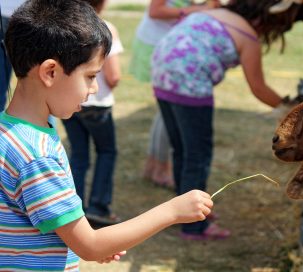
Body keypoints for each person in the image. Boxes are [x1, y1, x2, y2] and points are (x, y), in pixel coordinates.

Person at [0, 0, 214, 269]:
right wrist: (172, 211)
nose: (92, 89)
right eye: (90, 76)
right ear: (50, 72)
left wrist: (94, 241)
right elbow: (90, 245)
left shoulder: (9, 132)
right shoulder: (36, 157)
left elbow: (34, 220)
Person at [152, 0, 292, 240]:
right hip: (191, 83)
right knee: (198, 155)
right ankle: (193, 226)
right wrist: (290, 109)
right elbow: (258, 88)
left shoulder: (215, 13)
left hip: (162, 71)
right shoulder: (247, 36)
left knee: (182, 150)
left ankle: (182, 211)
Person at [131, 0, 215, 189]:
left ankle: (154, 165)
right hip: (158, 43)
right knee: (165, 111)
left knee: (163, 110)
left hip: (170, 43)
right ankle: (160, 169)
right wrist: (195, 9)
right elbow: (155, 10)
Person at [60, 0, 123, 226]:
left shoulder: (66, 26)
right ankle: (99, 207)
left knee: (79, 155)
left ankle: (73, 209)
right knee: (106, 151)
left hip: (69, 101)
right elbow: (113, 75)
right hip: (97, 104)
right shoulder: (105, 28)